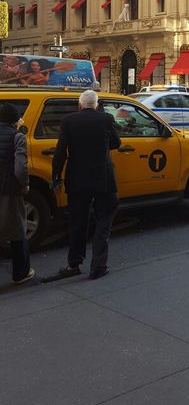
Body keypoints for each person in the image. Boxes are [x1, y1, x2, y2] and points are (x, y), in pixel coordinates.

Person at [52, 89, 121, 279]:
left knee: (77, 222)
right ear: (97, 105)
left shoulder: (68, 121)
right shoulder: (106, 119)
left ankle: (74, 264)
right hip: (103, 179)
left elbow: (60, 153)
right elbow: (117, 142)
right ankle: (98, 267)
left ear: (80, 105)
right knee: (103, 221)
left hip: (77, 180)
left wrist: (56, 177)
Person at [0, 103, 34, 284]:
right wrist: (25, 184)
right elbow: (20, 167)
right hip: (9, 188)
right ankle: (21, 273)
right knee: (17, 230)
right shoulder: (17, 137)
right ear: (15, 120)